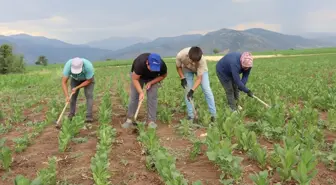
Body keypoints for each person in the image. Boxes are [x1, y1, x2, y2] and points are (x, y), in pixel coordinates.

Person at [122, 53, 167, 129]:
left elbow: (163, 76)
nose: (153, 70)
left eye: (155, 68)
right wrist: (141, 92)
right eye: (152, 67)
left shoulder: (162, 65)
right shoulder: (139, 64)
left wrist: (151, 82)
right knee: (134, 97)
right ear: (147, 63)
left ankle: (151, 121)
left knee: (152, 97)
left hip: (153, 78)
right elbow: (135, 79)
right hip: (138, 77)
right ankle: (129, 120)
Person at [176, 46, 216, 122]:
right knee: (187, 91)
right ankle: (191, 116)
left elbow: (199, 79)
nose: (194, 63)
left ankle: (213, 115)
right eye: (192, 60)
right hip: (187, 69)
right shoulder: (180, 55)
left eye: (196, 61)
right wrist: (182, 77)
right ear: (188, 56)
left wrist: (192, 90)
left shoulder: (202, 61)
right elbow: (178, 67)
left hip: (200, 70)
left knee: (206, 89)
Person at [62, 57, 95, 123]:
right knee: (72, 97)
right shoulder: (68, 65)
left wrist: (77, 87)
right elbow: (64, 82)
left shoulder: (88, 66)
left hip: (87, 79)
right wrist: (66, 96)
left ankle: (89, 116)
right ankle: (71, 114)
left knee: (89, 95)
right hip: (74, 79)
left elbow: (89, 81)